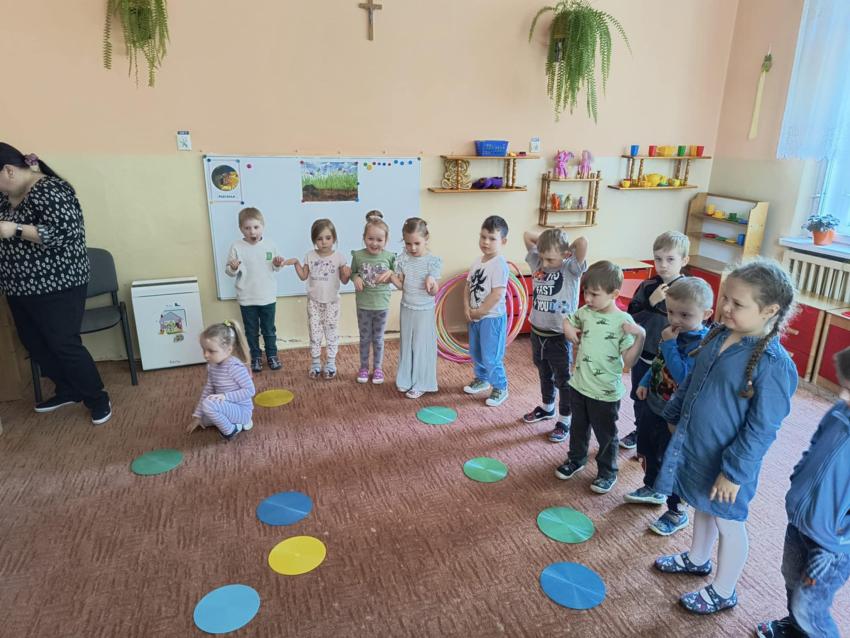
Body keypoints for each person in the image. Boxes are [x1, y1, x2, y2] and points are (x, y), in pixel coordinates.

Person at [653, 259, 798, 615]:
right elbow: (693, 380)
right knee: (702, 507)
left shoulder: (773, 364)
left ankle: (723, 590)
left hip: (729, 464)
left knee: (728, 524)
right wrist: (674, 415)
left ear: (770, 310)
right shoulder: (717, 334)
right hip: (699, 450)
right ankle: (697, 558)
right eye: (725, 299)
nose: (727, 307)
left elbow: (763, 428)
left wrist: (733, 473)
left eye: (738, 304)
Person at [0, 142, 112, 425]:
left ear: (9, 170)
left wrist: (16, 229)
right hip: (19, 286)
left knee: (63, 344)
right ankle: (68, 389)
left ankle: (97, 397)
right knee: (34, 343)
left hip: (57, 283)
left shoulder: (51, 190)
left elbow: (65, 233)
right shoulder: (6, 195)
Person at [755, 346, 850, 638]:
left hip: (831, 544)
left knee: (810, 606)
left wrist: (842, 537)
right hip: (800, 520)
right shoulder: (840, 412)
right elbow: (814, 446)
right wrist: (798, 479)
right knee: (792, 578)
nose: (843, 396)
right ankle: (796, 629)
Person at [623, 277, 713, 538]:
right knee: (648, 449)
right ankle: (652, 487)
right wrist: (645, 381)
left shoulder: (702, 345)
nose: (675, 319)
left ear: (706, 314)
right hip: (654, 403)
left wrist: (670, 344)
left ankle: (676, 511)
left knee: (671, 461)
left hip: (676, 417)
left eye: (685, 315)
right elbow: (659, 360)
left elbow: (682, 375)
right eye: (671, 312)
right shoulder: (671, 333)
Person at [554, 261, 646, 494]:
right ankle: (576, 459)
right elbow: (568, 319)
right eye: (586, 292)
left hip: (605, 393)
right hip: (579, 385)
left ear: (614, 294)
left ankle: (607, 472)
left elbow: (629, 362)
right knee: (578, 427)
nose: (587, 298)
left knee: (606, 435)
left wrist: (641, 337)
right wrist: (567, 328)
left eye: (594, 294)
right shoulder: (586, 312)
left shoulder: (623, 321)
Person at [621, 231, 689, 450]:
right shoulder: (648, 286)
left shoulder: (689, 290)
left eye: (670, 259)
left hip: (671, 359)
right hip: (644, 353)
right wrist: (651, 302)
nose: (663, 265)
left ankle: (662, 437)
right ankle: (640, 430)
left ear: (684, 260)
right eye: (658, 259)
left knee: (666, 400)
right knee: (639, 395)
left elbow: (695, 324)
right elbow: (631, 317)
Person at [520, 228, 588, 442]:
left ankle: (565, 420)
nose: (545, 264)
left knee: (563, 379)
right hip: (537, 333)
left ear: (566, 254)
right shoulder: (538, 264)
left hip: (559, 336)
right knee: (544, 372)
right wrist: (547, 246)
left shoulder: (571, 268)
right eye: (542, 257)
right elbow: (526, 235)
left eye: (550, 259)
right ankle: (547, 407)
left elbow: (582, 241)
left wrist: (565, 248)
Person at [225, 207, 287, 373]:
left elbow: (276, 267)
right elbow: (230, 271)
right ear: (241, 229)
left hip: (267, 296)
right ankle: (255, 357)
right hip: (247, 297)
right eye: (247, 228)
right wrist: (233, 267)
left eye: (256, 227)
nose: (252, 231)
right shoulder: (236, 246)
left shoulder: (270, 245)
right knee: (251, 331)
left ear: (263, 226)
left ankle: (272, 355)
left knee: (269, 330)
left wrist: (278, 263)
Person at [290, 219, 351, 379]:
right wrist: (296, 263)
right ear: (314, 240)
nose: (324, 242)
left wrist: (347, 274)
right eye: (319, 238)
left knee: (331, 332)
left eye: (328, 238)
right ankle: (316, 363)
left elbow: (344, 280)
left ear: (334, 238)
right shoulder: (309, 256)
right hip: (314, 303)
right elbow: (303, 276)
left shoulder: (339, 257)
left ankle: (330, 363)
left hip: (332, 302)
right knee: (315, 333)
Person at [390, 217, 442, 399]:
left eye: (416, 243)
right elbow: (402, 286)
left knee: (421, 346)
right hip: (407, 307)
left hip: (424, 311)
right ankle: (405, 378)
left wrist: (431, 282)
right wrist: (391, 277)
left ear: (426, 239)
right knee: (406, 344)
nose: (412, 248)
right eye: (408, 243)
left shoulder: (432, 262)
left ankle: (422, 382)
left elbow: (434, 291)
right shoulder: (403, 259)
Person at [463, 215, 510, 407]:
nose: (486, 242)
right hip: (475, 317)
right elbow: (467, 287)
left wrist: (481, 311)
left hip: (492, 318)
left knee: (491, 356)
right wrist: (467, 308)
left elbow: (498, 294)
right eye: (483, 237)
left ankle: (500, 386)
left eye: (492, 238)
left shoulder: (499, 264)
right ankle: (482, 379)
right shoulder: (477, 262)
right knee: (476, 352)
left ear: (503, 241)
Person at [187, 320, 255, 441]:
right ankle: (235, 424)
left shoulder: (235, 367)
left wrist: (225, 396)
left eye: (211, 351)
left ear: (228, 350)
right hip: (226, 407)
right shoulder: (211, 366)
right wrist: (198, 416)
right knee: (204, 417)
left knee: (209, 405)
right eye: (204, 350)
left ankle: (231, 430)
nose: (205, 355)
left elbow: (250, 391)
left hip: (242, 411)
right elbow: (207, 390)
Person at [350, 210, 395, 385]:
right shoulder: (358, 256)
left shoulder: (390, 257)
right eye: (370, 238)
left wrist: (391, 273)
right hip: (363, 305)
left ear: (386, 240)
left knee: (378, 339)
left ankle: (377, 368)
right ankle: (363, 367)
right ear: (364, 238)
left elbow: (398, 275)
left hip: (381, 305)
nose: (374, 243)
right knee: (364, 338)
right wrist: (356, 277)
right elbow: (353, 272)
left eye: (379, 240)